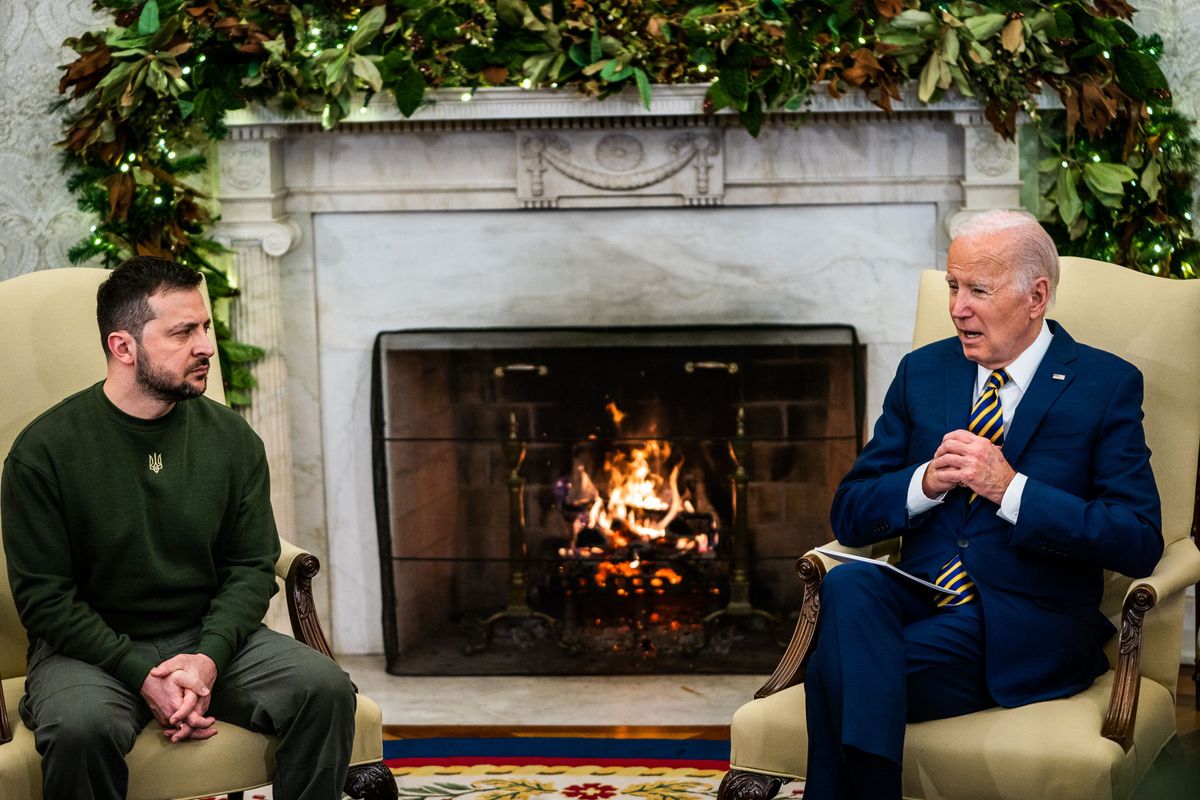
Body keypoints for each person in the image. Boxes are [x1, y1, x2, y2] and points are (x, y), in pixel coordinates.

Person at [802, 210, 1163, 799]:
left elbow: (1138, 538)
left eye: (978, 289)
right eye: (951, 286)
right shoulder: (923, 372)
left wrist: (1010, 489)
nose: (957, 308)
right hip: (924, 599)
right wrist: (923, 483)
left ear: (1035, 296)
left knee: (832, 672)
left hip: (1023, 625)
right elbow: (849, 512)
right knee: (848, 587)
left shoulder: (1105, 384)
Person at [1, 256, 357, 799]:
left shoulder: (233, 439)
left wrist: (207, 661)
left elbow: (250, 568)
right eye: (183, 331)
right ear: (123, 347)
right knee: (80, 728)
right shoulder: (44, 452)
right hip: (87, 651)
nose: (206, 346)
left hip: (206, 636)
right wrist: (144, 674)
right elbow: (46, 600)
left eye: (206, 327)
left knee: (325, 689)